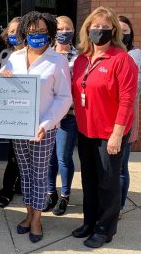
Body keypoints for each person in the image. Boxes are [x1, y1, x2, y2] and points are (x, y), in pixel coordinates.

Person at [0, 11, 72, 243]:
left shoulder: (57, 61)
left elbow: (64, 98)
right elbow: (3, 88)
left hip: (44, 129)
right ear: (25, 33)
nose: (37, 35)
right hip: (19, 127)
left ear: (49, 32)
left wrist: (47, 123)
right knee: (26, 173)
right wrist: (2, 76)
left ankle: (37, 220)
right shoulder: (15, 57)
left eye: (41, 31)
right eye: (32, 32)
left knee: (40, 175)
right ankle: (28, 215)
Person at [71, 6, 137, 248]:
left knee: (107, 183)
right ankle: (89, 222)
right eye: (95, 27)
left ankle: (105, 229)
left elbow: (128, 100)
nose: (99, 31)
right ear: (87, 30)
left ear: (114, 31)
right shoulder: (80, 60)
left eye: (105, 27)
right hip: (86, 131)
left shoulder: (122, 60)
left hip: (110, 134)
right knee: (88, 180)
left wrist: (117, 134)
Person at [43, 15, 79, 216]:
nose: (64, 32)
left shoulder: (80, 57)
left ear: (73, 31)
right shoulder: (46, 55)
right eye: (60, 28)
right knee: (49, 158)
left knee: (63, 157)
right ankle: (50, 193)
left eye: (68, 28)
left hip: (68, 117)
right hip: (48, 115)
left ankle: (65, 195)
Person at [118, 15, 141, 218]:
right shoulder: (106, 54)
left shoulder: (135, 55)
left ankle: (118, 206)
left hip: (125, 119)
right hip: (104, 121)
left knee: (120, 166)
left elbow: (132, 92)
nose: (121, 35)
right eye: (117, 31)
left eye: (125, 31)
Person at [0, 17, 25, 209]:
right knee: (13, 154)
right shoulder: (6, 54)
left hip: (28, 111)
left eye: (18, 31)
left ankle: (21, 186)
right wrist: (1, 76)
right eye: (11, 31)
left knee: (25, 156)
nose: (14, 34)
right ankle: (7, 189)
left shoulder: (34, 54)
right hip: (11, 112)